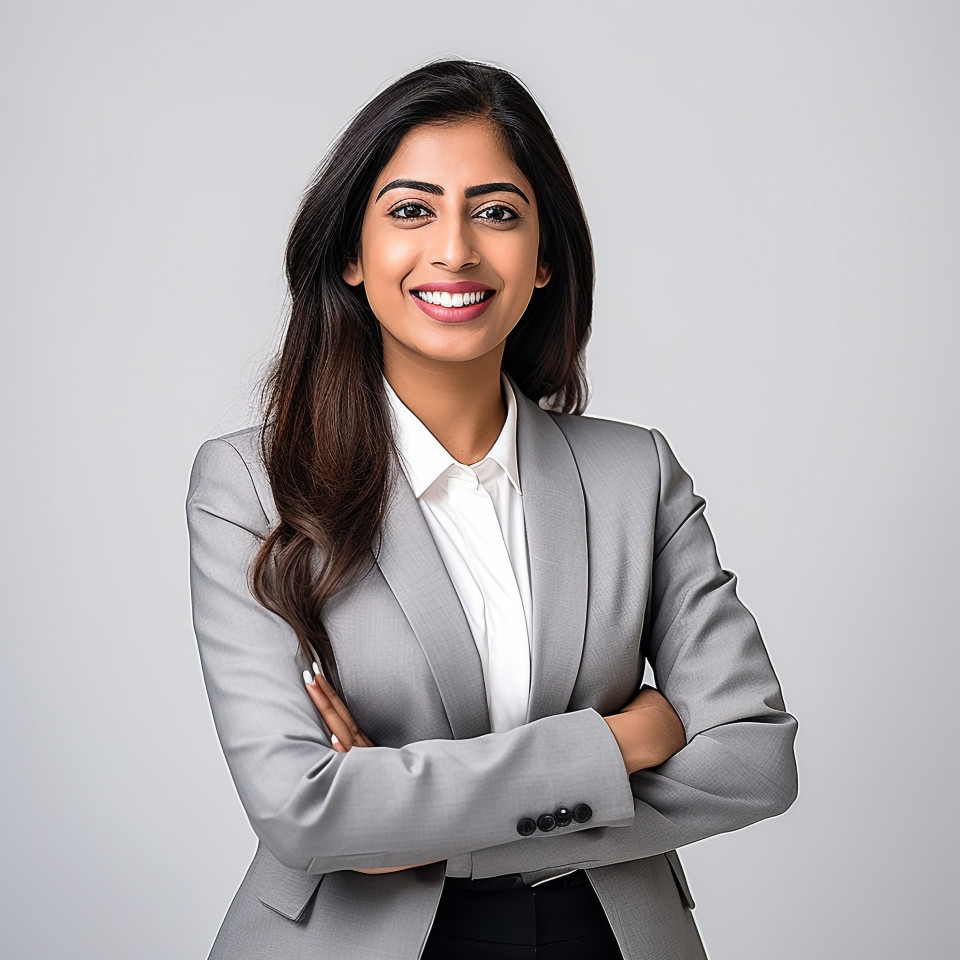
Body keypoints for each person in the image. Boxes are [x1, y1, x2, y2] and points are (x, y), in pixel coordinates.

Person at [186, 57, 799, 960]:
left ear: (545, 258)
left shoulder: (636, 473)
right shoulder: (251, 485)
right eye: (411, 209)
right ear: (351, 254)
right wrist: (620, 742)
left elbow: (754, 758)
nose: (456, 250)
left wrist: (405, 820)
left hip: (608, 934)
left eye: (498, 212)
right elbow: (304, 811)